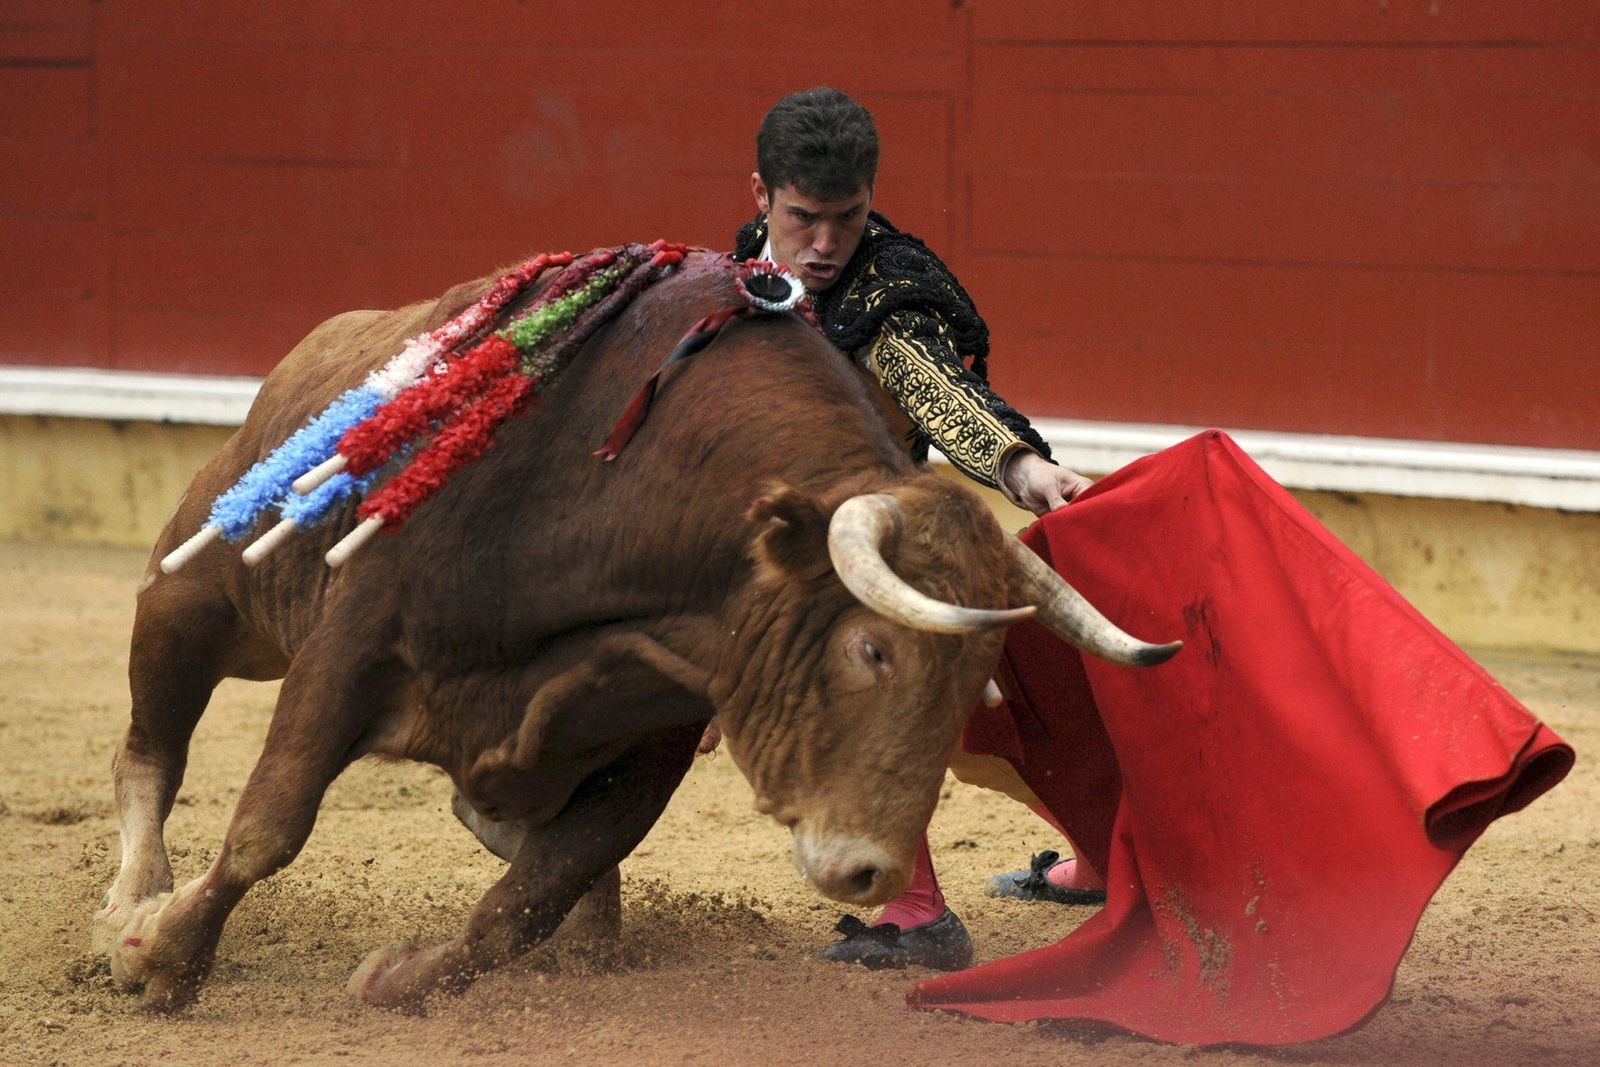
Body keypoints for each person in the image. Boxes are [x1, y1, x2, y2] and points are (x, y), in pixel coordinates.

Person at [732, 87, 1105, 970]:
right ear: (761, 198)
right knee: (996, 728)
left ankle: (917, 914)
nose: (825, 246)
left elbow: (940, 386)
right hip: (800, 543)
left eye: (847, 219)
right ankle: (1110, 857)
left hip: (896, 549)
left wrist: (1024, 466)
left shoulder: (889, 294)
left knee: (877, 701)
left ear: (872, 199)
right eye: (803, 219)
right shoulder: (747, 264)